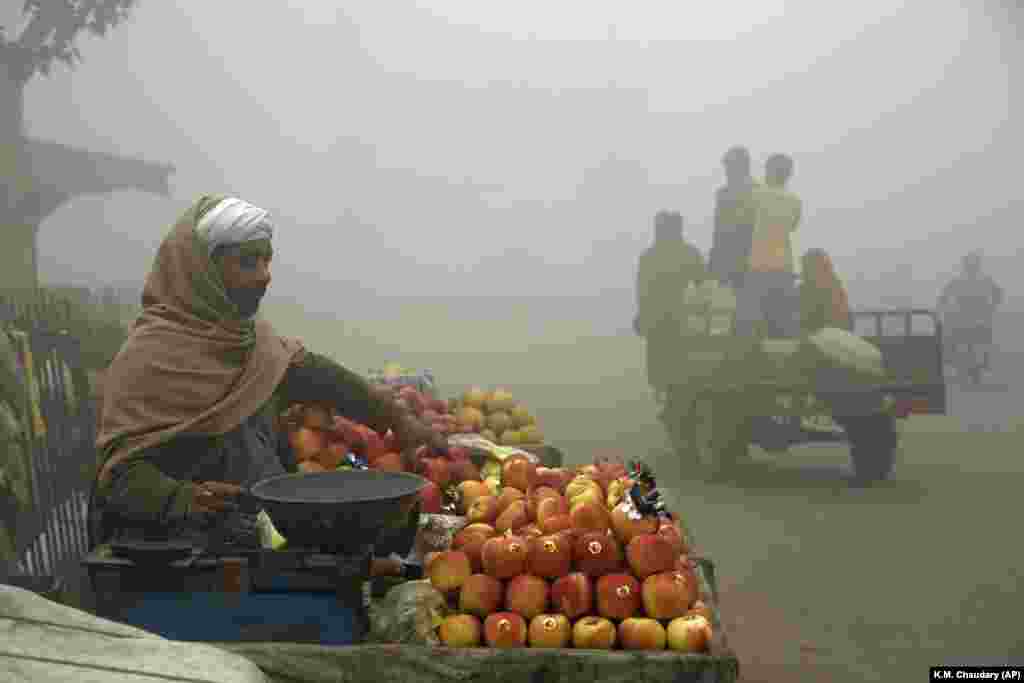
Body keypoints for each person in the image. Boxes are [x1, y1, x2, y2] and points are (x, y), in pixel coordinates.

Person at [91, 195, 446, 547]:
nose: (265, 276)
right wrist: (184, 499)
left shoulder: (250, 341)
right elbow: (119, 480)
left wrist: (395, 418)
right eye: (248, 262)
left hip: (263, 540)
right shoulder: (145, 360)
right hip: (179, 559)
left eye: (266, 260)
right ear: (204, 271)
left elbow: (316, 377)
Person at [633, 211, 708, 404]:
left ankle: (665, 394)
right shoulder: (689, 252)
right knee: (679, 361)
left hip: (658, 321)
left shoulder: (649, 256)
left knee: (660, 364)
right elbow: (703, 282)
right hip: (681, 320)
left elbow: (642, 291)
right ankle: (676, 395)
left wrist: (642, 315)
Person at [736, 153, 803, 337]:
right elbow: (792, 226)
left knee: (749, 326)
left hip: (757, 267)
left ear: (769, 171)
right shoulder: (795, 201)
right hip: (784, 268)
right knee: (782, 324)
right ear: (788, 174)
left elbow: (743, 219)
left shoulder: (755, 195)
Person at [937, 251, 1003, 369]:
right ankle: (971, 361)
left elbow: (998, 294)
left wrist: (991, 307)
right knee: (952, 340)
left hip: (975, 322)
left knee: (975, 342)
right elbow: (944, 297)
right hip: (967, 321)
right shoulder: (964, 282)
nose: (970, 268)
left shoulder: (978, 281)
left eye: (972, 265)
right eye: (969, 265)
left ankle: (981, 360)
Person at [709, 146, 758, 289]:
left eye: (730, 166)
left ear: (744, 166)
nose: (727, 171)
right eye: (727, 166)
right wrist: (713, 262)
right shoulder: (723, 194)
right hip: (727, 263)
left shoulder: (756, 191)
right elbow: (718, 231)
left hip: (749, 261)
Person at [799, 248, 852, 333]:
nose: (804, 270)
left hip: (828, 335)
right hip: (832, 335)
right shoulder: (835, 286)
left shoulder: (832, 289)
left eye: (806, 266)